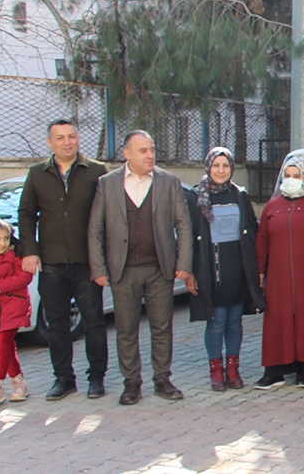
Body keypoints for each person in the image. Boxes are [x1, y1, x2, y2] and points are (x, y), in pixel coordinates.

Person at [88, 130, 195, 405]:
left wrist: (183, 263)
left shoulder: (168, 182)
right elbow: (95, 229)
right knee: (126, 329)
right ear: (127, 154)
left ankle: (162, 378)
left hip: (160, 268)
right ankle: (131, 383)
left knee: (162, 326)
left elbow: (183, 224)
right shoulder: (107, 183)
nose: (150, 155)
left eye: (152, 149)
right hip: (123, 270)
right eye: (143, 150)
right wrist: (99, 267)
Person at [17, 119, 110, 400]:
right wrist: (30, 250)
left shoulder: (96, 171)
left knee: (94, 322)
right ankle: (64, 379)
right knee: (57, 325)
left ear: (78, 138)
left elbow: (109, 214)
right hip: (52, 263)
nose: (67, 142)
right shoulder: (37, 174)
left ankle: (96, 378)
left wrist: (105, 256)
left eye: (72, 136)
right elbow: (26, 213)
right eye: (60, 138)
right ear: (50, 143)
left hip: (87, 262)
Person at [185, 147, 264, 392]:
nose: (221, 170)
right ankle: (216, 370)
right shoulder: (196, 197)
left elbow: (252, 231)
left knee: (234, 321)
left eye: (226, 166)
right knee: (217, 321)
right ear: (208, 167)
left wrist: (256, 269)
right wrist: (190, 271)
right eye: (216, 165)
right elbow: (187, 236)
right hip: (211, 271)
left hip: (237, 270)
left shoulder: (240, 195)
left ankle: (233, 369)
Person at [254, 156, 304, 390]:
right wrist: (259, 271)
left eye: (297, 176)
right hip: (278, 278)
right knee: (278, 320)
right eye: (287, 176)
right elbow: (262, 240)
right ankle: (275, 371)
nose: (291, 180)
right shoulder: (273, 205)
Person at [0, 220, 33, 404]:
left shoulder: (15, 255)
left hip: (14, 305)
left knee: (3, 342)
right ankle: (18, 383)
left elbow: (24, 277)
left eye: (6, 238)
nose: (3, 243)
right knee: (6, 346)